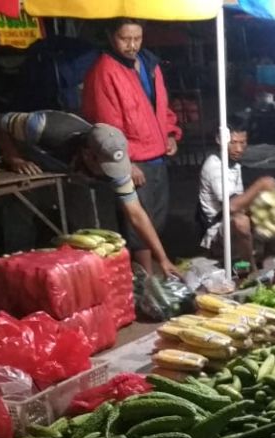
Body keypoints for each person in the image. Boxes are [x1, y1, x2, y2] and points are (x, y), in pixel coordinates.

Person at [0, 111, 179, 276]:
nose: (110, 174)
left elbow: (136, 214)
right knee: (21, 216)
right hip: (29, 166)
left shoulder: (114, 158)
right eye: (106, 168)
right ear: (89, 155)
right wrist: (14, 158)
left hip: (69, 172)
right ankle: (16, 273)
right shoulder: (43, 126)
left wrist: (162, 259)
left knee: (89, 231)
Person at [82, 18, 182, 276]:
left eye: (137, 38)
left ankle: (152, 280)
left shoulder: (151, 65)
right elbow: (106, 127)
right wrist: (127, 162)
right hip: (133, 160)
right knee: (136, 223)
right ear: (110, 35)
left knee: (156, 219)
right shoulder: (104, 71)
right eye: (125, 39)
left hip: (157, 155)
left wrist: (170, 134)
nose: (132, 45)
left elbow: (162, 108)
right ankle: (145, 281)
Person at [198, 118, 275, 267]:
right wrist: (260, 185)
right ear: (219, 139)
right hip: (217, 231)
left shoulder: (234, 164)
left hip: (233, 219)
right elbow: (232, 206)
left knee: (271, 207)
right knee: (241, 222)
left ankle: (267, 259)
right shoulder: (215, 166)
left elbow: (241, 201)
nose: (239, 149)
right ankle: (250, 269)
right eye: (233, 143)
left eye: (243, 143)